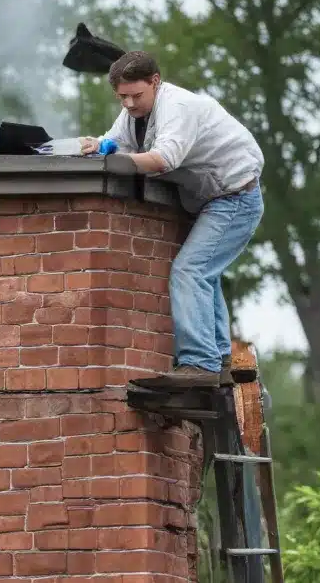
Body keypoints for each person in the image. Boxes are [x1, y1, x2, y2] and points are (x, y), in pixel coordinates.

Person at [82, 51, 264, 388]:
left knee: (190, 270)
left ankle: (199, 364)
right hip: (211, 200)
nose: (129, 103)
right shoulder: (133, 113)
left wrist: (126, 163)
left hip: (235, 197)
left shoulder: (178, 107)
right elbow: (115, 140)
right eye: (122, 96)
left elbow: (165, 158)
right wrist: (98, 145)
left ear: (155, 81)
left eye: (136, 95)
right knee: (204, 275)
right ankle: (221, 358)